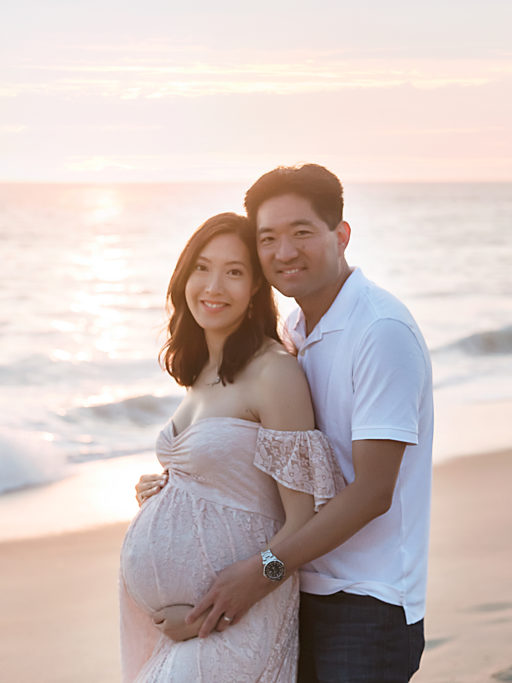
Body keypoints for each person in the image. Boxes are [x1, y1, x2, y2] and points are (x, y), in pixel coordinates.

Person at [137, 165, 434, 682]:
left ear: (340, 235)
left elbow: (372, 492)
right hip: (298, 590)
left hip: (364, 601)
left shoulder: (379, 331)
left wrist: (261, 572)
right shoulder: (295, 330)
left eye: (302, 233)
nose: (285, 252)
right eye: (268, 238)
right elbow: (275, 462)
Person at [119, 212, 345, 681]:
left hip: (237, 623)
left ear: (257, 289)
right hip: (194, 631)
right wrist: (170, 490)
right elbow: (233, 479)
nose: (213, 285)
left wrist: (214, 609)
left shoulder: (274, 372)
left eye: (235, 272)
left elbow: (304, 520)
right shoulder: (201, 373)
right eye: (202, 267)